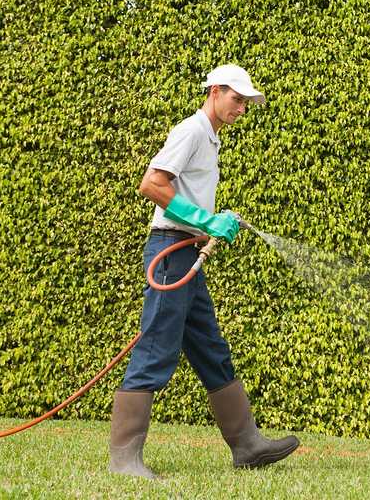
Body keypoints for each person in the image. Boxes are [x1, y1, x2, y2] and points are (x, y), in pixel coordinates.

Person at [108, 64, 300, 478]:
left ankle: (246, 444)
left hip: (187, 253)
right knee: (157, 346)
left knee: (211, 349)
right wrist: (205, 220)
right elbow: (153, 183)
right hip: (170, 252)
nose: (242, 109)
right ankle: (124, 458)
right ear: (215, 91)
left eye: (246, 104)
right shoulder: (192, 130)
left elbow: (187, 193)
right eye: (237, 99)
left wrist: (209, 219)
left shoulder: (210, 138)